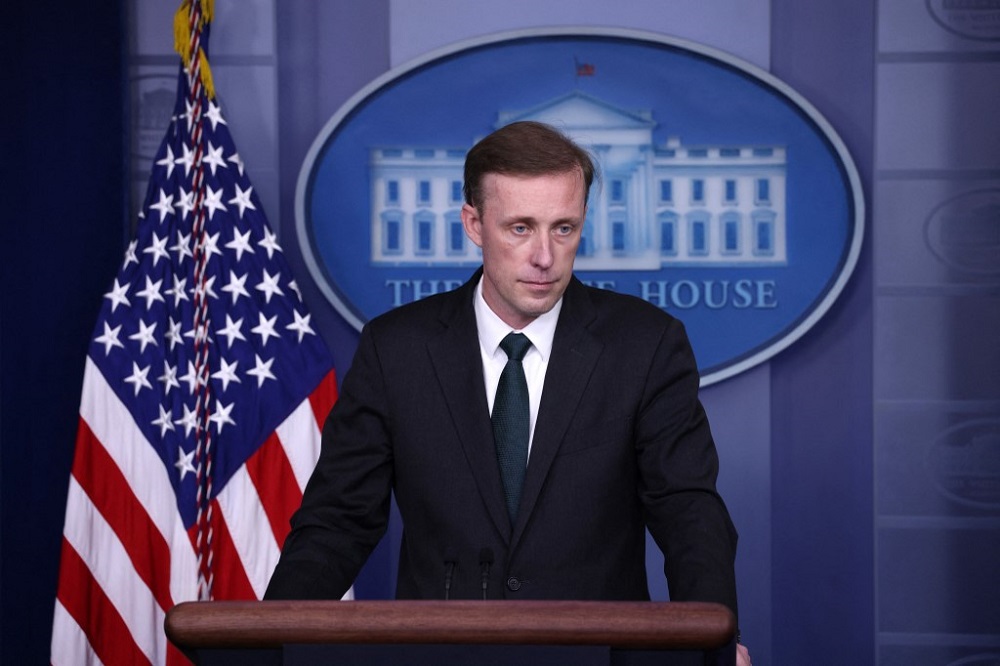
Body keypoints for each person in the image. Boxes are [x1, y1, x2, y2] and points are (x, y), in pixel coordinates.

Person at [266, 121, 749, 665]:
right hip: (439, 658)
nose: (545, 256)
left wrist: (713, 642)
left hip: (597, 656)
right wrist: (270, 643)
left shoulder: (647, 345)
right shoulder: (396, 349)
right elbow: (338, 521)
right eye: (520, 229)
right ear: (473, 223)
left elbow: (688, 511)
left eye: (563, 229)